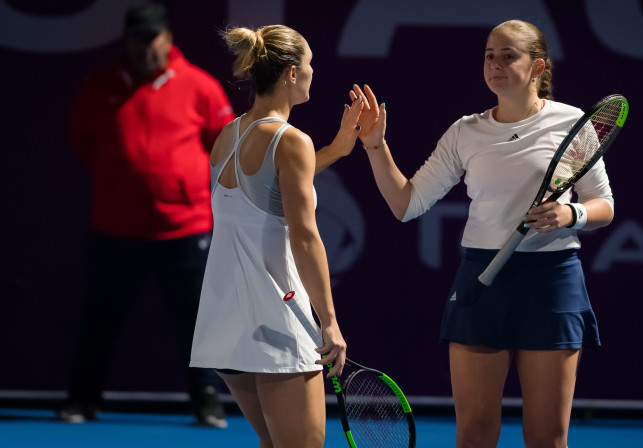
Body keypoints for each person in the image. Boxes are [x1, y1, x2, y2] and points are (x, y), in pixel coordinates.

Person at [352, 20, 614, 448]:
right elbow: (406, 204)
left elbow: (604, 205)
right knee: (473, 435)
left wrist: (572, 213)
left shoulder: (573, 124)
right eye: (490, 55)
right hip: (481, 282)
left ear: (536, 67)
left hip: (551, 283)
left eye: (508, 55)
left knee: (547, 438)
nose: (495, 64)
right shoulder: (465, 131)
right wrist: (376, 146)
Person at [59, 3, 235, 428]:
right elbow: (83, 140)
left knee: (197, 323)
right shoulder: (98, 87)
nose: (145, 48)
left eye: (152, 39)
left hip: (185, 228)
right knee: (99, 319)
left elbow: (225, 147)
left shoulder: (200, 86)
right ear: (127, 41)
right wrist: (121, 181)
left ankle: (207, 401)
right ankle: (82, 400)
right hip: (114, 229)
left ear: (168, 39)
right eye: (137, 39)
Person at [189, 24, 357, 447]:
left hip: (227, 321)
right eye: (310, 64)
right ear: (291, 74)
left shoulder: (229, 133)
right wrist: (330, 322)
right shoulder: (291, 141)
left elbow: (268, 192)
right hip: (276, 319)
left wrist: (336, 149)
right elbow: (304, 236)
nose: (314, 71)